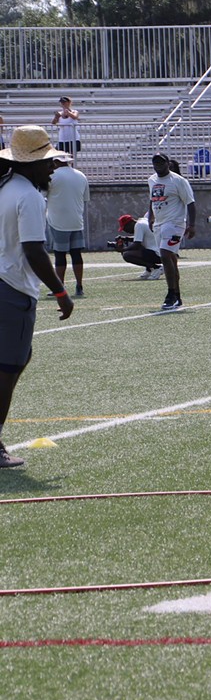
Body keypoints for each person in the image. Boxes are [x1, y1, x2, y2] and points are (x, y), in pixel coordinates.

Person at [0, 126, 76, 467]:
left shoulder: (5, 188)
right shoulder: (29, 195)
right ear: (29, 164)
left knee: (17, 360)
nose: (52, 168)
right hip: (12, 289)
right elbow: (33, 250)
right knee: (8, 369)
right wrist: (60, 291)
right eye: (47, 162)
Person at [146, 152, 196, 311]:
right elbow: (152, 199)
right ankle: (178, 295)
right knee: (170, 258)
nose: (158, 166)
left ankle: (171, 294)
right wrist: (150, 217)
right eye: (155, 163)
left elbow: (190, 203)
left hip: (175, 223)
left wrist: (192, 224)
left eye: (161, 163)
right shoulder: (152, 179)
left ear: (168, 163)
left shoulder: (178, 181)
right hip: (159, 223)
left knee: (165, 254)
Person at [45, 153, 90, 297]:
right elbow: (85, 198)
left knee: (59, 255)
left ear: (56, 162)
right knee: (76, 254)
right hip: (76, 221)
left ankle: (59, 286)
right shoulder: (81, 175)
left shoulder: (52, 176)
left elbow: (42, 194)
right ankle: (79, 285)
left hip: (58, 221)